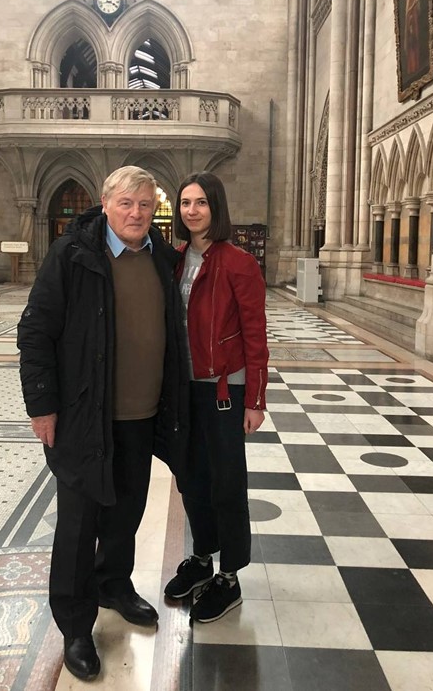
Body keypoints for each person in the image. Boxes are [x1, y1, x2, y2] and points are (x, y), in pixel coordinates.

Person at [17, 166, 188, 681]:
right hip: (83, 416)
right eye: (126, 203)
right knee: (78, 524)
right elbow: (35, 331)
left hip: (142, 414)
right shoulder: (72, 254)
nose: (136, 213)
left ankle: (114, 585)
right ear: (106, 203)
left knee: (126, 510)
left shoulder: (160, 256)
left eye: (145, 204)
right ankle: (75, 626)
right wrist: (42, 405)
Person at [164, 172, 269, 623]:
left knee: (226, 482)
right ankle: (202, 557)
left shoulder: (238, 263)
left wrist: (256, 399)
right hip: (184, 389)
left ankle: (230, 576)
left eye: (201, 202)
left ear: (216, 207)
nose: (192, 210)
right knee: (191, 478)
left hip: (226, 389)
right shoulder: (175, 260)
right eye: (185, 202)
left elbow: (255, 333)